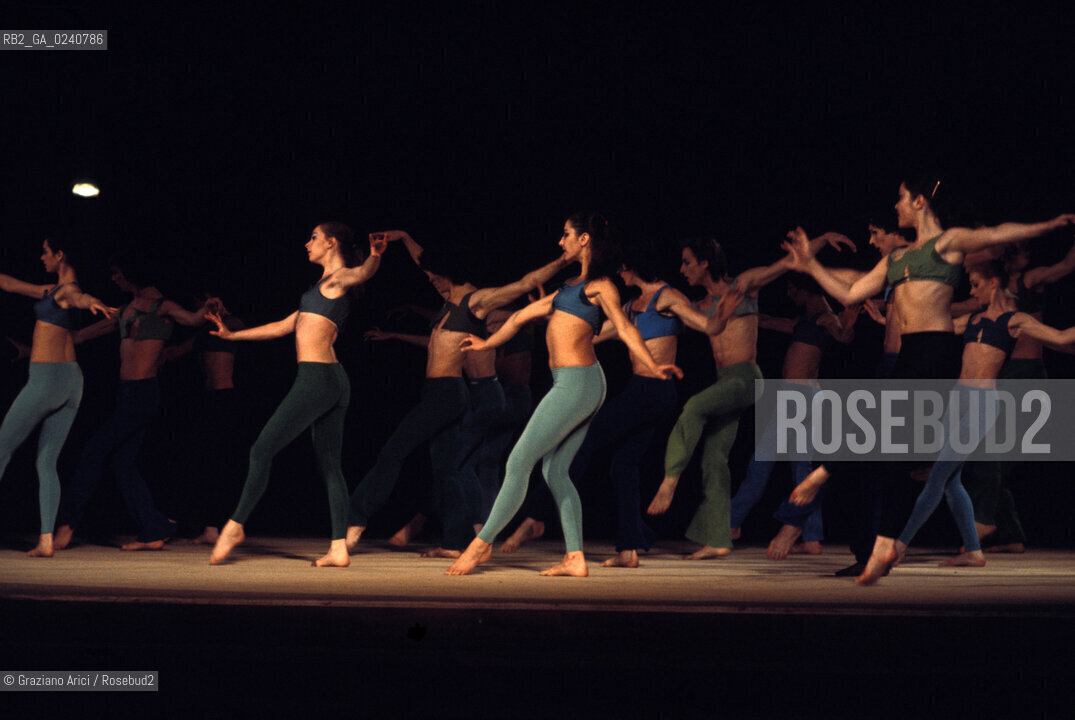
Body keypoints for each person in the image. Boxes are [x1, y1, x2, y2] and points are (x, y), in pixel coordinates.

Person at [781, 175, 1074, 581]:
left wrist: (1049, 224)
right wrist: (811, 265)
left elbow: (997, 234)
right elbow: (851, 292)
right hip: (909, 354)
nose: (896, 206)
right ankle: (884, 545)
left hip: (935, 353)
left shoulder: (947, 243)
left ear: (920, 201)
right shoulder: (898, 257)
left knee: (885, 432)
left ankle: (826, 475)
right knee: (897, 459)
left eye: (900, 198)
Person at [446, 212, 683, 577]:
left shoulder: (601, 286)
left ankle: (481, 544)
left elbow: (624, 328)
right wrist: (486, 343)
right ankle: (575, 557)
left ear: (584, 239)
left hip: (579, 384)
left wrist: (652, 366)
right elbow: (520, 317)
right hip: (572, 383)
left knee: (518, 462)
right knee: (555, 471)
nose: (561, 241)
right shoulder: (569, 288)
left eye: (566, 234)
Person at [348, 231, 569, 558]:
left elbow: (524, 283)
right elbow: (425, 262)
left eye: (436, 276)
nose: (431, 280)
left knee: (395, 450)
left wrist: (564, 260)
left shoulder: (476, 301)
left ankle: (354, 520)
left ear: (449, 272)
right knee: (448, 467)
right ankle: (455, 542)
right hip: (439, 392)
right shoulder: (448, 299)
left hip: (448, 394)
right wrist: (404, 237)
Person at [646, 232, 852, 560]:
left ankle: (672, 480)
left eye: (687, 262)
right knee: (718, 459)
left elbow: (787, 263)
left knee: (696, 408)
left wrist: (823, 239)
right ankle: (721, 535)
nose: (682, 269)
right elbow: (655, 317)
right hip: (733, 384)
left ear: (705, 263)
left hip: (749, 380)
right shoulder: (697, 305)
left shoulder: (742, 285)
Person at [857, 261, 1058, 582]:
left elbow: (1060, 338)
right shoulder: (974, 319)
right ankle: (973, 551)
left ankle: (898, 545)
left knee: (938, 477)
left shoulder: (1015, 320)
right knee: (951, 481)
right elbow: (930, 333)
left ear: (994, 283)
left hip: (982, 404)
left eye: (976, 284)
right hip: (956, 402)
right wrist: (888, 322)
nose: (972, 291)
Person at [208, 224, 384, 567]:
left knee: (261, 450)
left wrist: (375, 255)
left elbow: (363, 272)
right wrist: (232, 336)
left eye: (313, 237)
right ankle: (338, 548)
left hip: (317, 380)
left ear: (331, 242)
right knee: (330, 466)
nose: (307, 243)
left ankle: (235, 526)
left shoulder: (339, 279)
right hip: (333, 380)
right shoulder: (318, 289)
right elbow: (282, 326)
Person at [567, 240, 742, 568]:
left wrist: (723, 313)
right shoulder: (631, 306)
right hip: (641, 389)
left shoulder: (667, 296)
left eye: (620, 269)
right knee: (623, 465)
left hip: (654, 390)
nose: (618, 275)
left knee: (585, 440)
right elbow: (595, 336)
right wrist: (559, 320)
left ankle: (536, 514)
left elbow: (707, 326)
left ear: (630, 268)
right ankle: (629, 549)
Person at [54, 258, 219, 551]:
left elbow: (193, 320)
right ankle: (155, 527)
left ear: (133, 273)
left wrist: (206, 309)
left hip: (143, 394)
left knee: (94, 451)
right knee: (123, 464)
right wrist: (38, 343)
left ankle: (67, 523)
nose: (114, 279)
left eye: (117, 273)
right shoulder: (125, 309)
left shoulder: (163, 307)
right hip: (126, 393)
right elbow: (79, 336)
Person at [0, 237, 115, 557]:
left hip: (47, 381)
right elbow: (9, 284)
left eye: (45, 252)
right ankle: (46, 540)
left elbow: (78, 297)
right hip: (71, 381)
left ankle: (47, 538)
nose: (42, 258)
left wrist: (91, 302)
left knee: (2, 448)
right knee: (46, 461)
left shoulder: (66, 291)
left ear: (60, 255)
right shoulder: (51, 291)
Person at [730, 274, 857, 560]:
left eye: (792, 289)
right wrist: (740, 312)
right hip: (798, 398)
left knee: (763, 463)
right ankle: (812, 537)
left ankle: (732, 522)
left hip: (799, 399)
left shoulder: (825, 317)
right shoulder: (807, 320)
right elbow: (769, 321)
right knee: (800, 469)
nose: (789, 294)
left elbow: (844, 336)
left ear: (805, 290)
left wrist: (847, 325)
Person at [159, 292, 247, 545]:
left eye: (204, 300)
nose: (201, 306)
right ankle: (207, 528)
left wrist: (224, 313)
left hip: (225, 399)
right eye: (198, 302)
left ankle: (222, 526)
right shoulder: (202, 333)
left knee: (220, 463)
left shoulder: (231, 324)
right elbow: (176, 351)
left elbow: (246, 330)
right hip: (208, 400)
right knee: (203, 462)